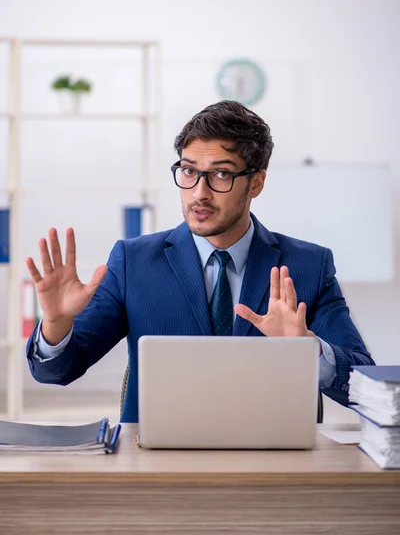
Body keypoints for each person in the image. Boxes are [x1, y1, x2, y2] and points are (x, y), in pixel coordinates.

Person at [26, 100, 374, 422]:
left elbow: (364, 385)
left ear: (256, 182)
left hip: (275, 468)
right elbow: (57, 372)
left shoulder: (309, 266)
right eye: (189, 171)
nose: (199, 193)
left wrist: (309, 351)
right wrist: (56, 325)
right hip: (159, 469)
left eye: (221, 174)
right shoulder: (134, 262)